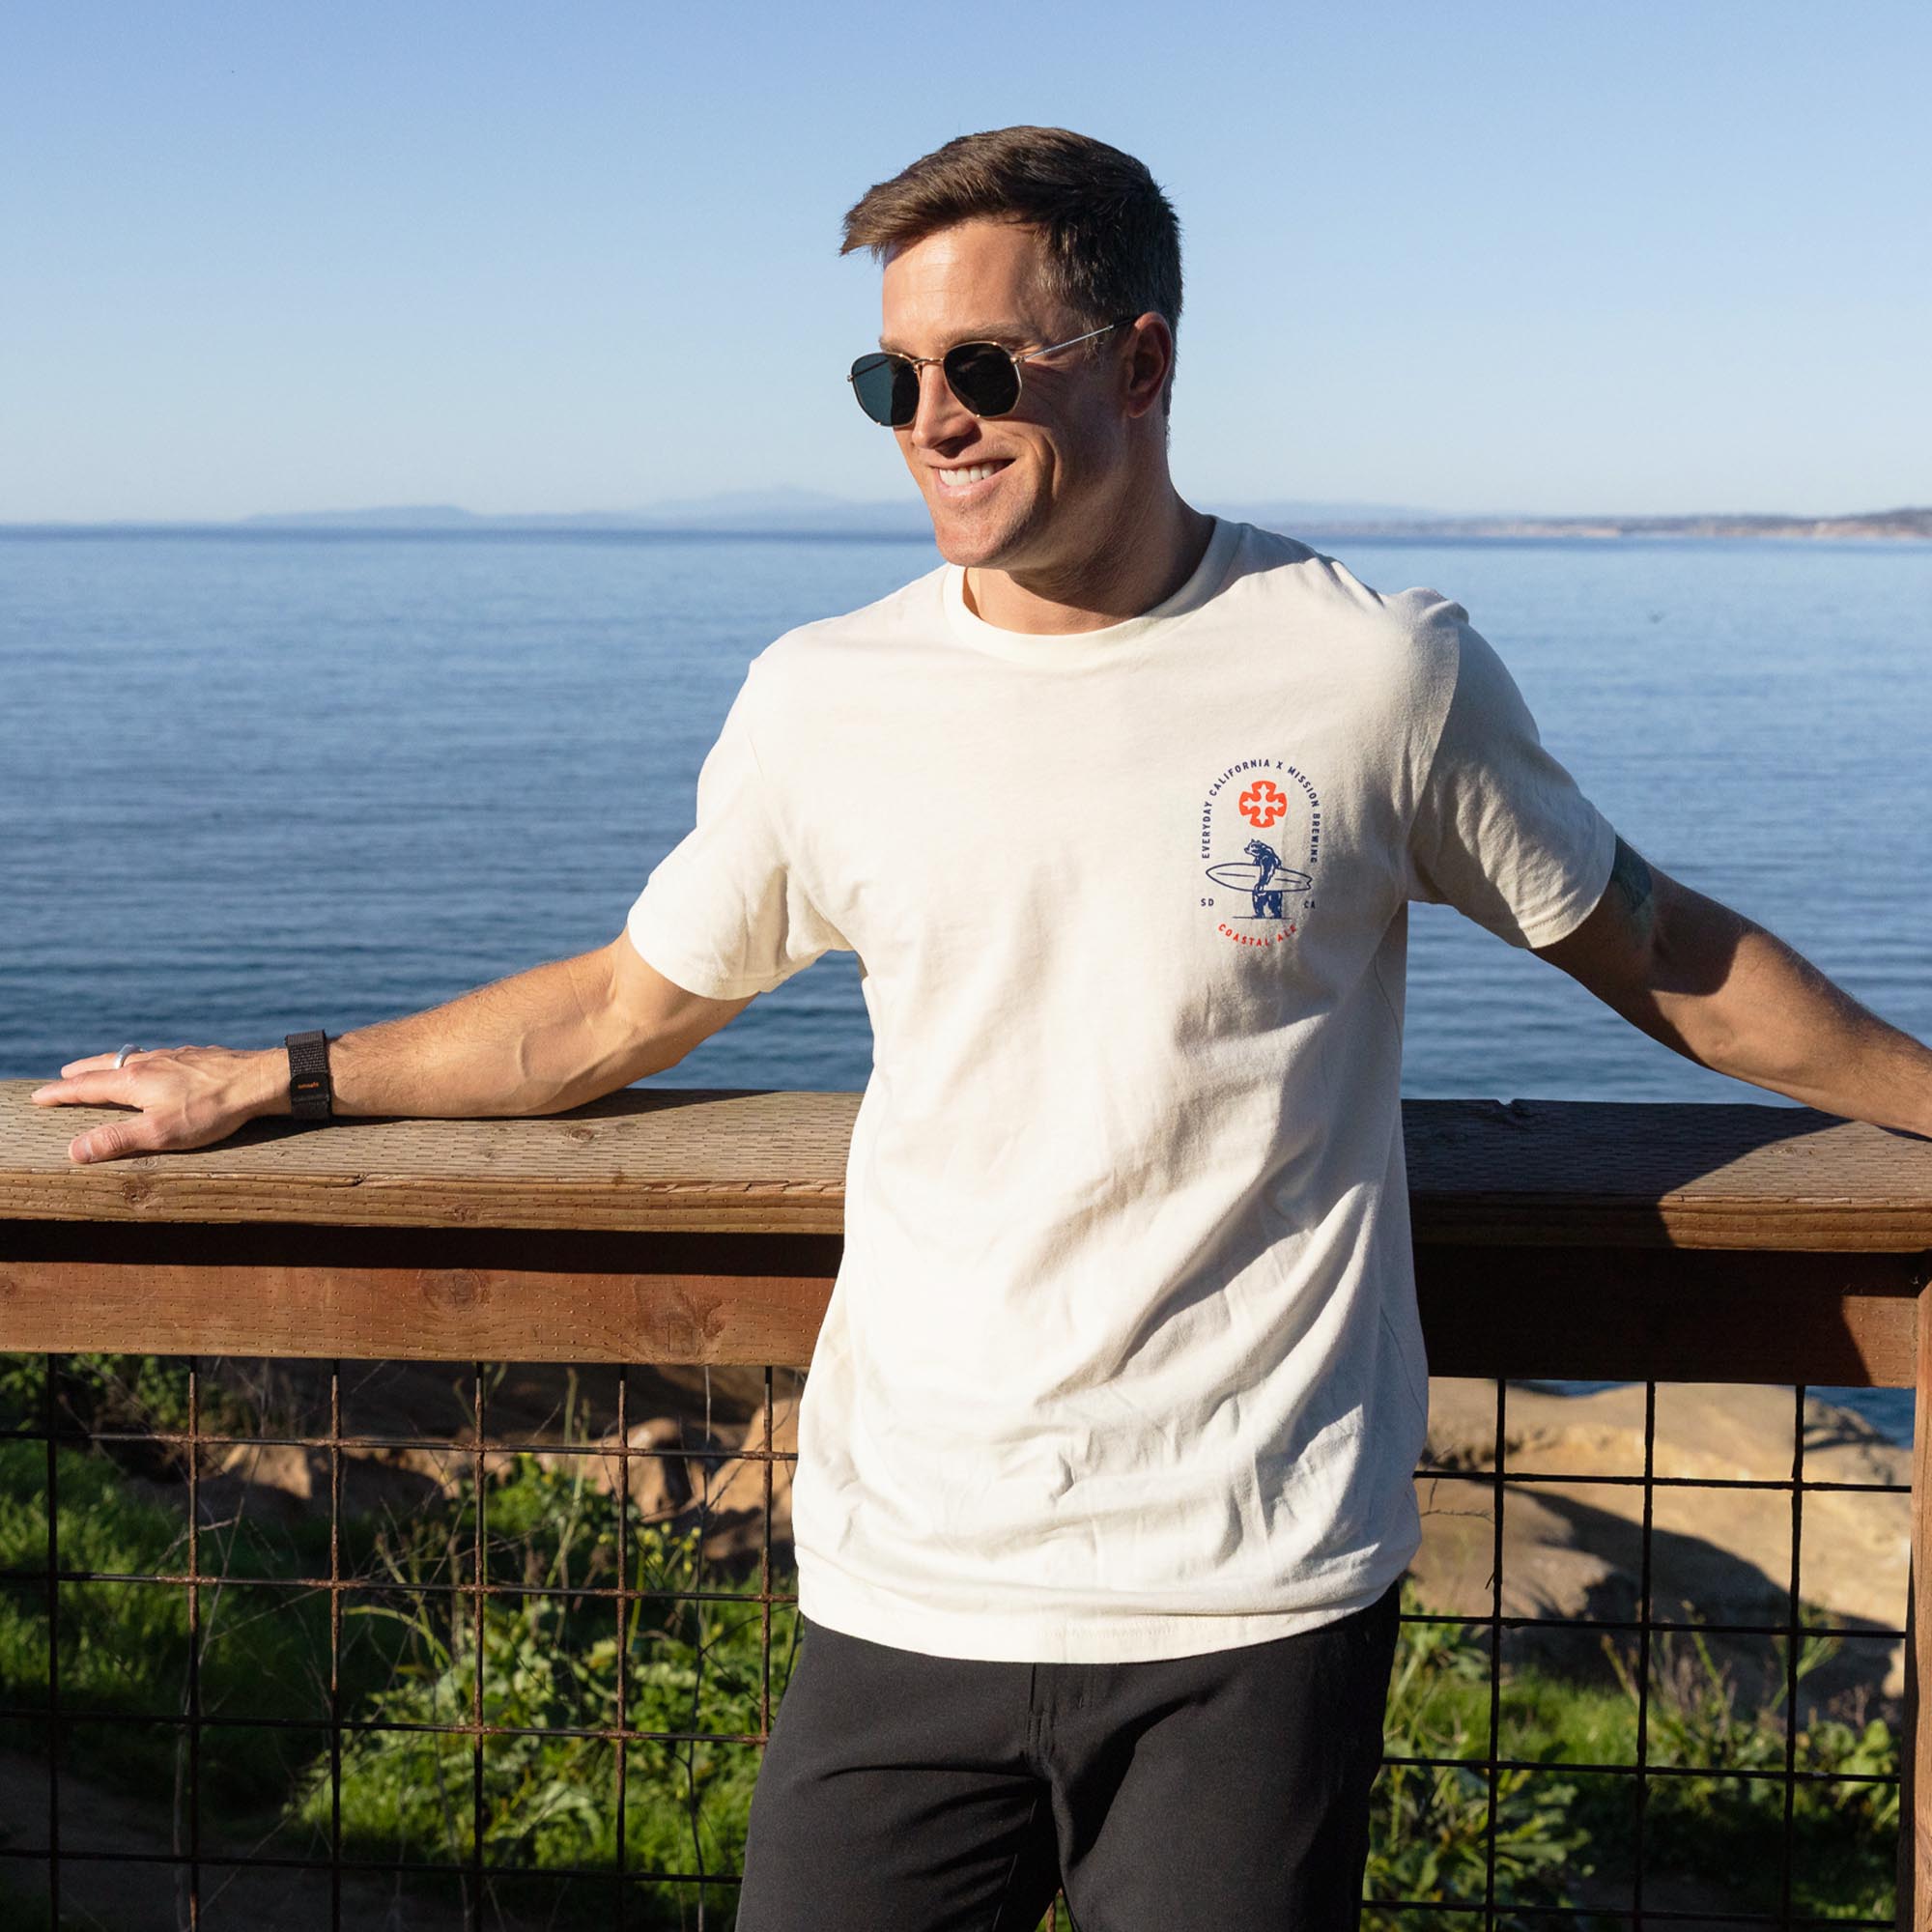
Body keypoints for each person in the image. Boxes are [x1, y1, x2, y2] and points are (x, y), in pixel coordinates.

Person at [31, 127, 1932, 1931]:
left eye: (980, 369)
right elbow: (611, 1013)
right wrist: (273, 1080)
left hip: (1247, 1586)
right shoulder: (824, 699)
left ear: (1141, 357)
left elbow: (1662, 950)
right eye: (889, 382)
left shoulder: (1370, 674)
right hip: (906, 1572)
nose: (931, 419)